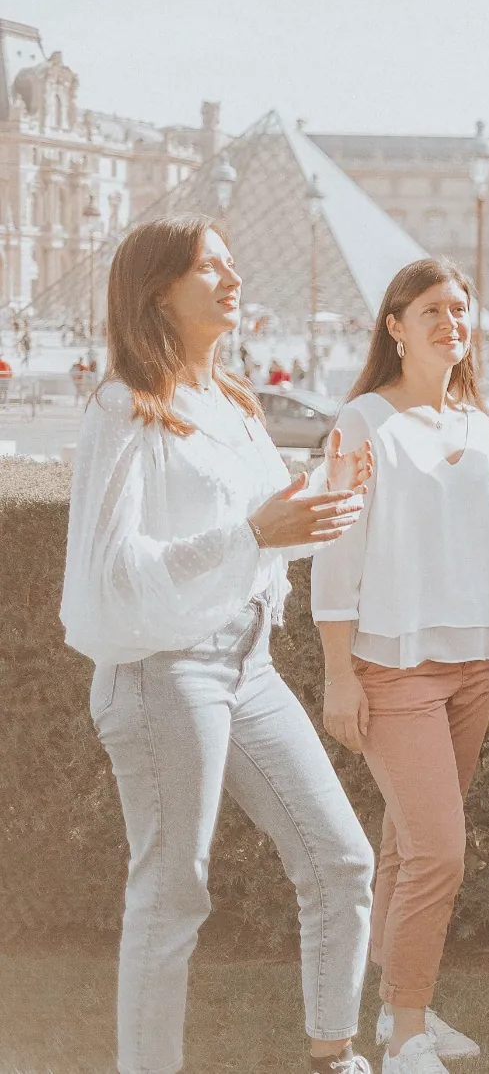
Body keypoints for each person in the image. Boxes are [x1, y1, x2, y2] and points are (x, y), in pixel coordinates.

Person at [61, 214, 377, 1074]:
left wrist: (333, 493)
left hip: (248, 661)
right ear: (157, 289)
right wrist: (252, 532)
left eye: (233, 265)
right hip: (165, 671)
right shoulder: (127, 407)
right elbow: (111, 570)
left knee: (343, 859)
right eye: (210, 268)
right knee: (171, 894)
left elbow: (277, 532)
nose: (233, 280)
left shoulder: (235, 403)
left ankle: (332, 1056)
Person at [312, 259, 489, 1074]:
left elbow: (482, 552)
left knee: (407, 846)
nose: (450, 322)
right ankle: (404, 1036)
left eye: (460, 309)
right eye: (431, 308)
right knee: (439, 851)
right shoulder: (361, 422)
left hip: (471, 667)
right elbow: (335, 551)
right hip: (393, 668)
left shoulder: (478, 423)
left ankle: (408, 1002)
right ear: (394, 325)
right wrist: (338, 673)